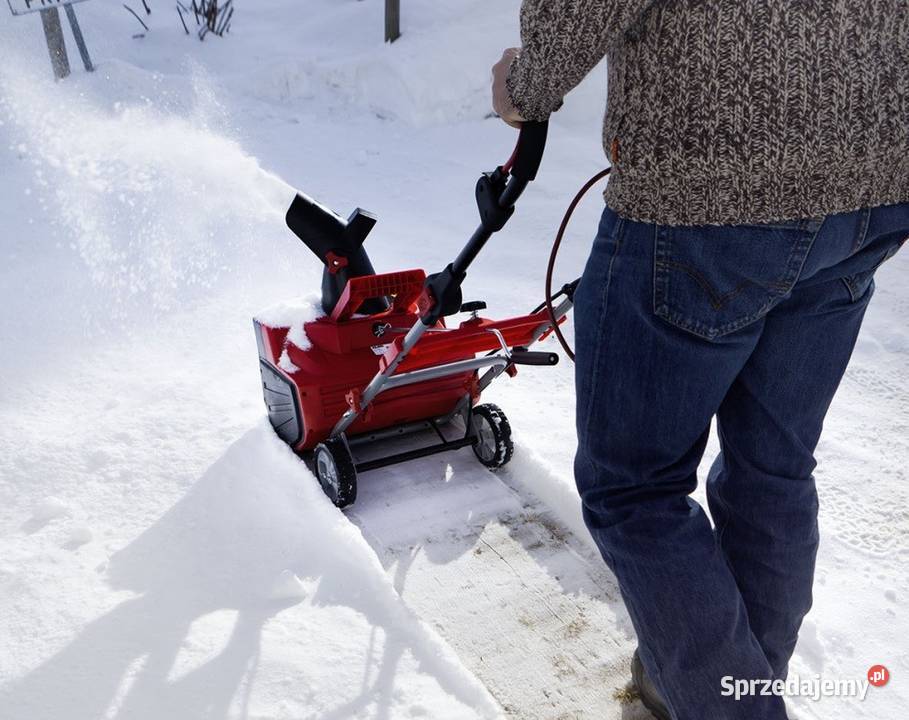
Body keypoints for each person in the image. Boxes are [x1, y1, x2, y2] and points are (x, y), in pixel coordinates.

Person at [491, 2, 909, 719]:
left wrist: (523, 84)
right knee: (771, 471)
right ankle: (727, 682)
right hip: (867, 194)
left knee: (634, 490)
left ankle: (727, 703)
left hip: (706, 198)